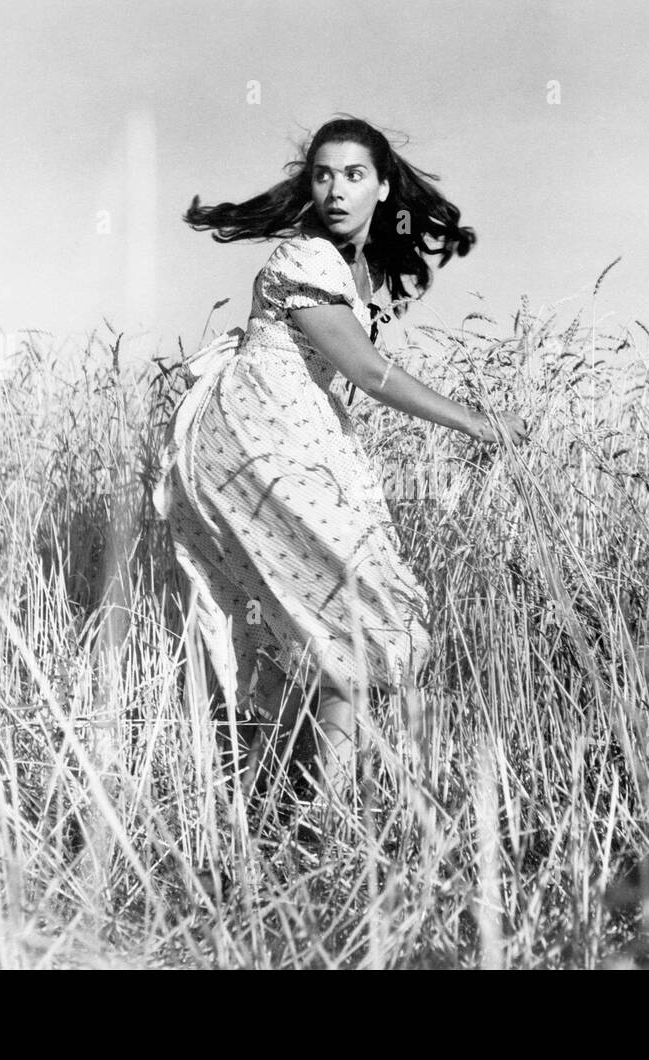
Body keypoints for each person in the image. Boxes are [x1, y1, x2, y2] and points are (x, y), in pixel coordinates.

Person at [154, 116, 530, 820]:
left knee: (352, 629)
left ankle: (318, 817)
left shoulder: (358, 269)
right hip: (256, 438)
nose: (334, 189)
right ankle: (312, 816)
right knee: (357, 615)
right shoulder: (303, 260)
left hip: (305, 435)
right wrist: (478, 422)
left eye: (353, 175)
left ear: (383, 187)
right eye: (322, 174)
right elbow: (367, 370)